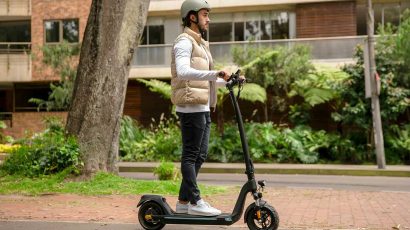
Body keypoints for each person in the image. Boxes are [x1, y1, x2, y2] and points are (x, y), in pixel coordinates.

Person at [170, 0, 236, 216]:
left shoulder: (200, 44)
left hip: (203, 107)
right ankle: (196, 201)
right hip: (191, 107)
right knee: (190, 156)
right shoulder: (184, 42)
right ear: (192, 16)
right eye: (205, 14)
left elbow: (205, 80)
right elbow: (183, 71)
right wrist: (216, 73)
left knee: (200, 155)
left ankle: (182, 201)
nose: (209, 19)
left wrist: (229, 81)